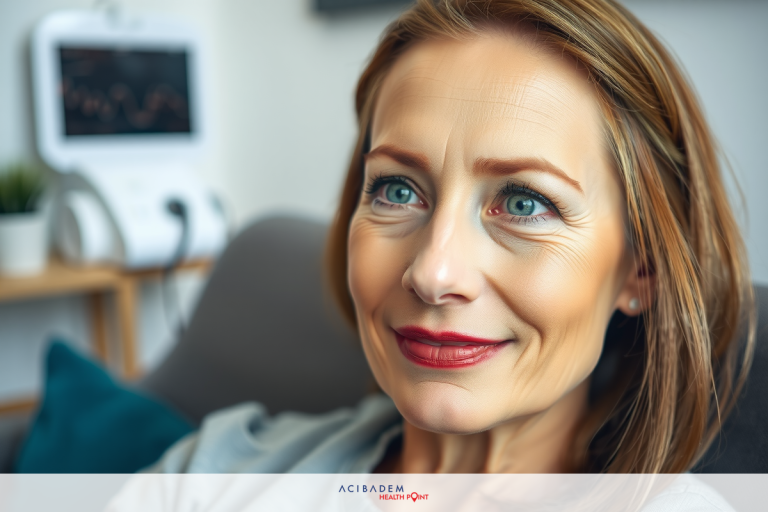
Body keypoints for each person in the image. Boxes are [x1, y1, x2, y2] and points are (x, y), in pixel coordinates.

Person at [147, 0, 755, 477]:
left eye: (524, 203)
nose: (433, 273)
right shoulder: (218, 467)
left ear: (641, 269)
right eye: (396, 191)